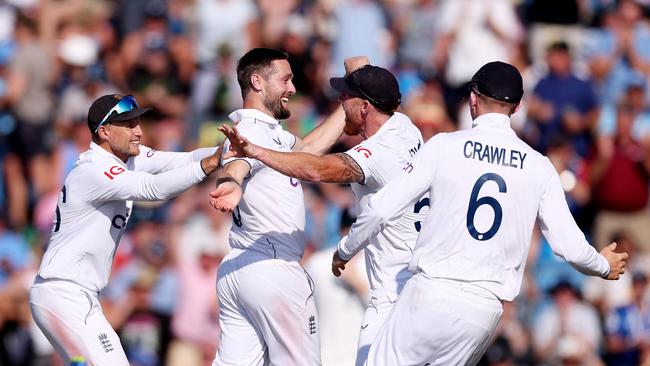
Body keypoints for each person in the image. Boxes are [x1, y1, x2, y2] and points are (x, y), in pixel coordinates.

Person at [333, 61, 629, 366]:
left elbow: (381, 208)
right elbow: (570, 247)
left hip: (432, 291)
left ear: (473, 99)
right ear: (516, 108)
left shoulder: (444, 146)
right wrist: (603, 266)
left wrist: (345, 249)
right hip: (484, 311)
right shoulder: (540, 166)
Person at [219, 59, 427, 365]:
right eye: (286, 80)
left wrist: (253, 155)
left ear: (366, 107)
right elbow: (262, 160)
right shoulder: (407, 128)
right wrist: (233, 180)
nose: (340, 103)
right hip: (278, 267)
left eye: (346, 98)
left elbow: (314, 167)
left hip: (394, 290)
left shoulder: (378, 152)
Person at [28, 93, 223, 366]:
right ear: (104, 132)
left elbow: (184, 159)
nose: (139, 132)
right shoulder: (94, 170)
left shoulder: (124, 158)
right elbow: (152, 189)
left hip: (76, 294)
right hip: (64, 293)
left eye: (138, 123)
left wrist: (229, 151)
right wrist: (210, 165)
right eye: (129, 125)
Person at [208, 48, 346, 366]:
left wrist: (351, 99)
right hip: (274, 269)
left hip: (238, 270)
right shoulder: (250, 134)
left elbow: (310, 150)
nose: (292, 89)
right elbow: (235, 167)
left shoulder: (267, 132)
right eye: (285, 79)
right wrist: (229, 185)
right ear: (257, 81)